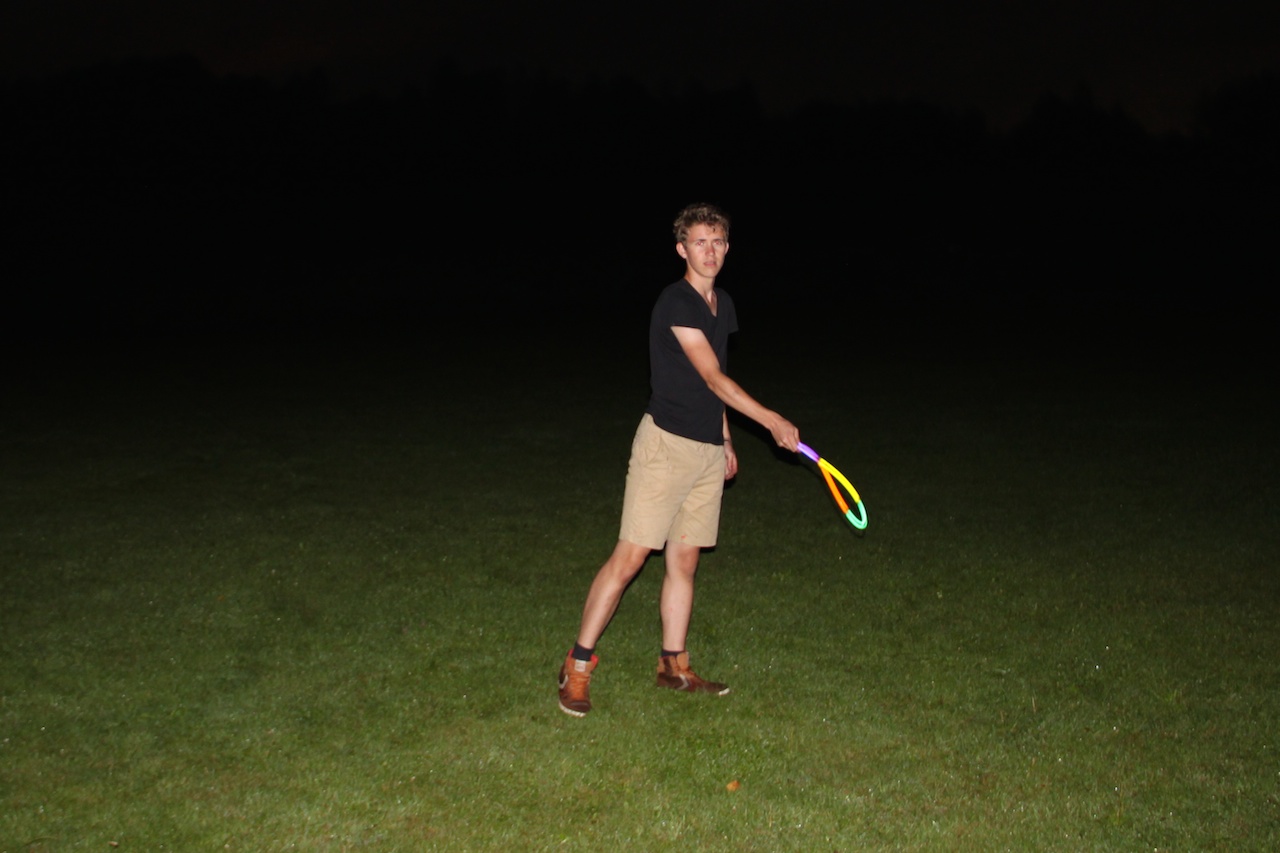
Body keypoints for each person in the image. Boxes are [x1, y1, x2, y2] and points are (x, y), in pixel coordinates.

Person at [558, 202, 801, 717]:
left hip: (706, 451)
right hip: (666, 448)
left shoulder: (722, 303)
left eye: (718, 242)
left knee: (684, 562)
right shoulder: (676, 301)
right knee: (630, 558)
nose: (709, 251)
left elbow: (713, 381)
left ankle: (674, 667)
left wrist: (726, 439)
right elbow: (712, 376)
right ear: (681, 249)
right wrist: (771, 420)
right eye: (699, 242)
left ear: (727, 248)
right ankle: (576, 666)